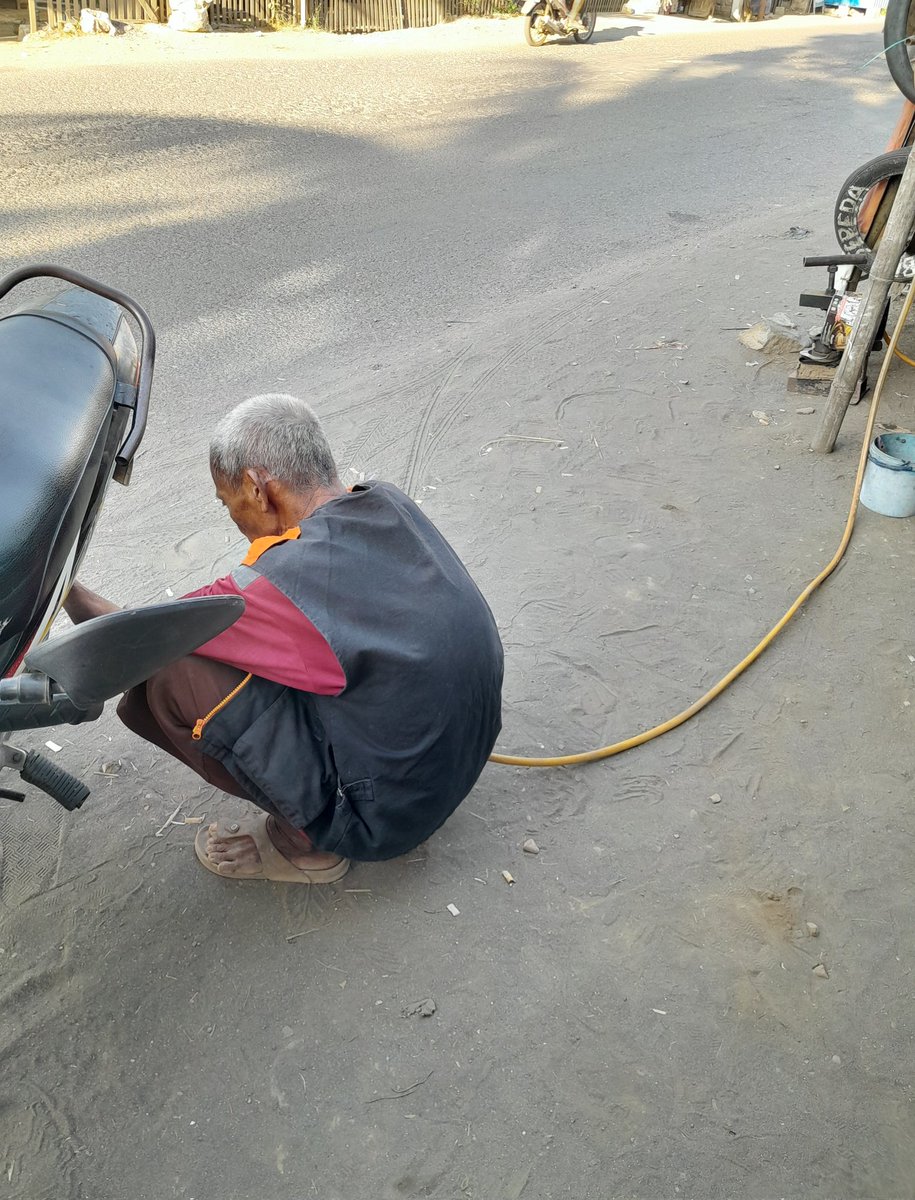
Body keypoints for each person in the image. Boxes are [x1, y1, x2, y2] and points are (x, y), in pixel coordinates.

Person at [65, 394, 504, 885]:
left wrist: (63, 588)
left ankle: (306, 844)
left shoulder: (284, 582)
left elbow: (141, 639)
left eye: (226, 501)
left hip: (389, 820)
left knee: (172, 674)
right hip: (458, 765)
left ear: (257, 489)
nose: (230, 515)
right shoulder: (386, 502)